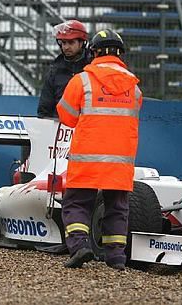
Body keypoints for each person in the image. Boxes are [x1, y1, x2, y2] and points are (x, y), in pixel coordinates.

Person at [56, 29, 142, 270]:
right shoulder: (134, 87)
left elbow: (66, 116)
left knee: (76, 204)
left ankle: (80, 246)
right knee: (117, 208)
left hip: (87, 159)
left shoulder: (82, 81)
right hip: (120, 163)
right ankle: (116, 259)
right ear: (120, 54)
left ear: (93, 52)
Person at [37, 19, 93, 118]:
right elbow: (44, 109)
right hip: (60, 127)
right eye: (63, 43)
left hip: (87, 126)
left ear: (82, 43)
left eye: (71, 42)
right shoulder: (54, 70)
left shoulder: (93, 68)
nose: (66, 47)